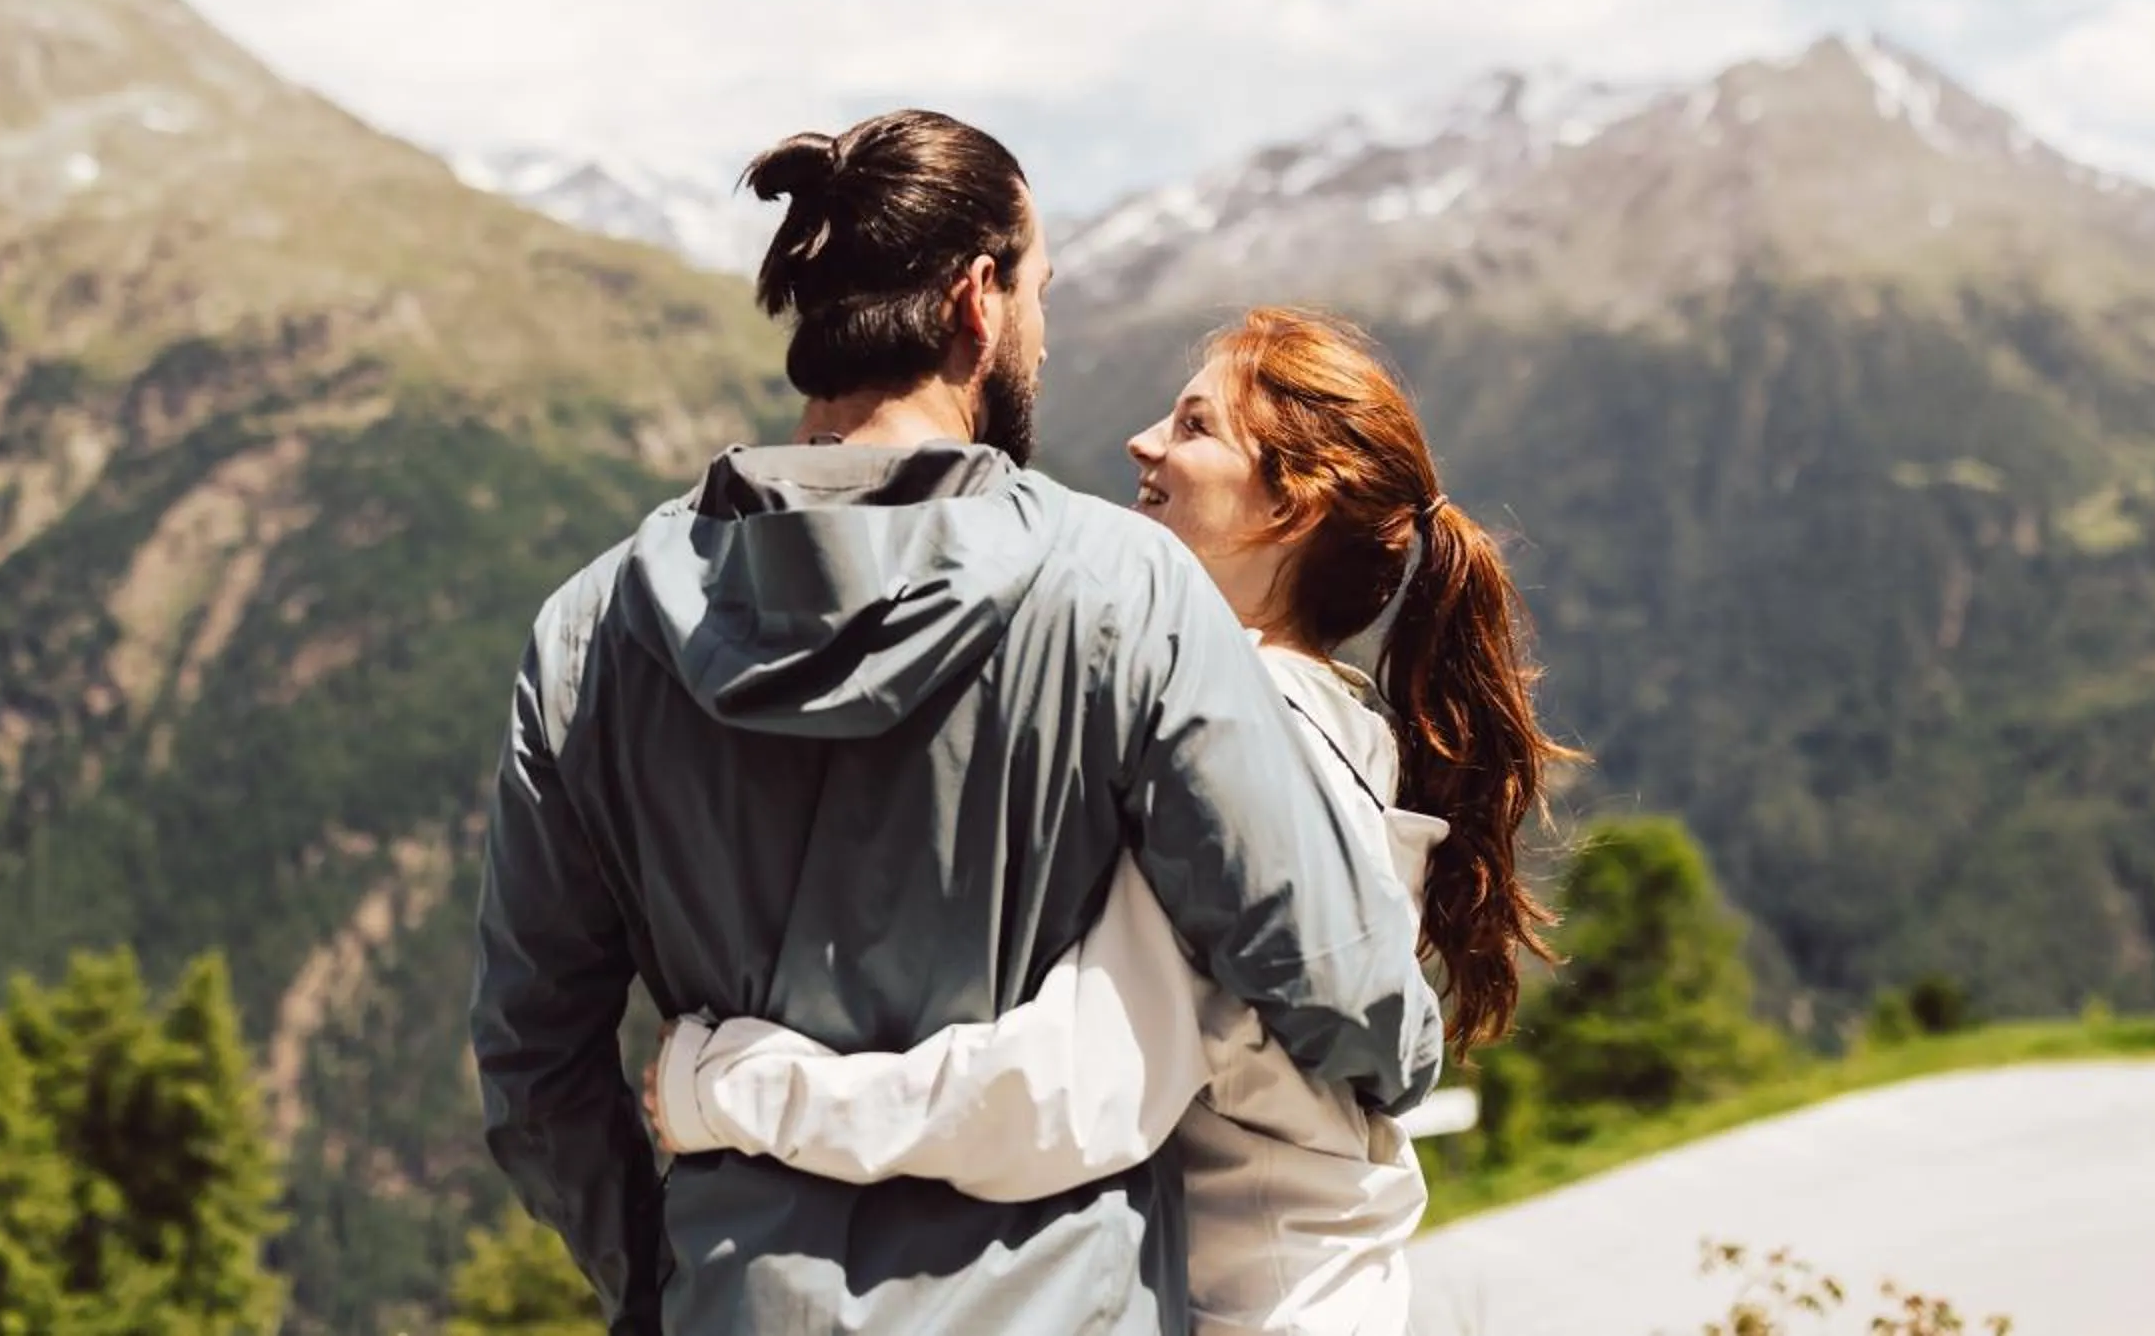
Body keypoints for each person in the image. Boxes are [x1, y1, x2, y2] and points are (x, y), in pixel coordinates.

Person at [471, 117, 1443, 1335]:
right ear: (978, 302)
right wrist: (1410, 1050)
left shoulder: (587, 631)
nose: (1044, 327)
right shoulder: (1120, 584)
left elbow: (533, 1064)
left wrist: (662, 1285)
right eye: (1041, 290)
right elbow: (1333, 972)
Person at [643, 307, 1574, 1335]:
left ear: (1295, 503)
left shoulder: (1260, 738)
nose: (1142, 442)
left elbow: (1068, 1091)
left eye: (1193, 426)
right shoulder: (1327, 715)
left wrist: (732, 1090)